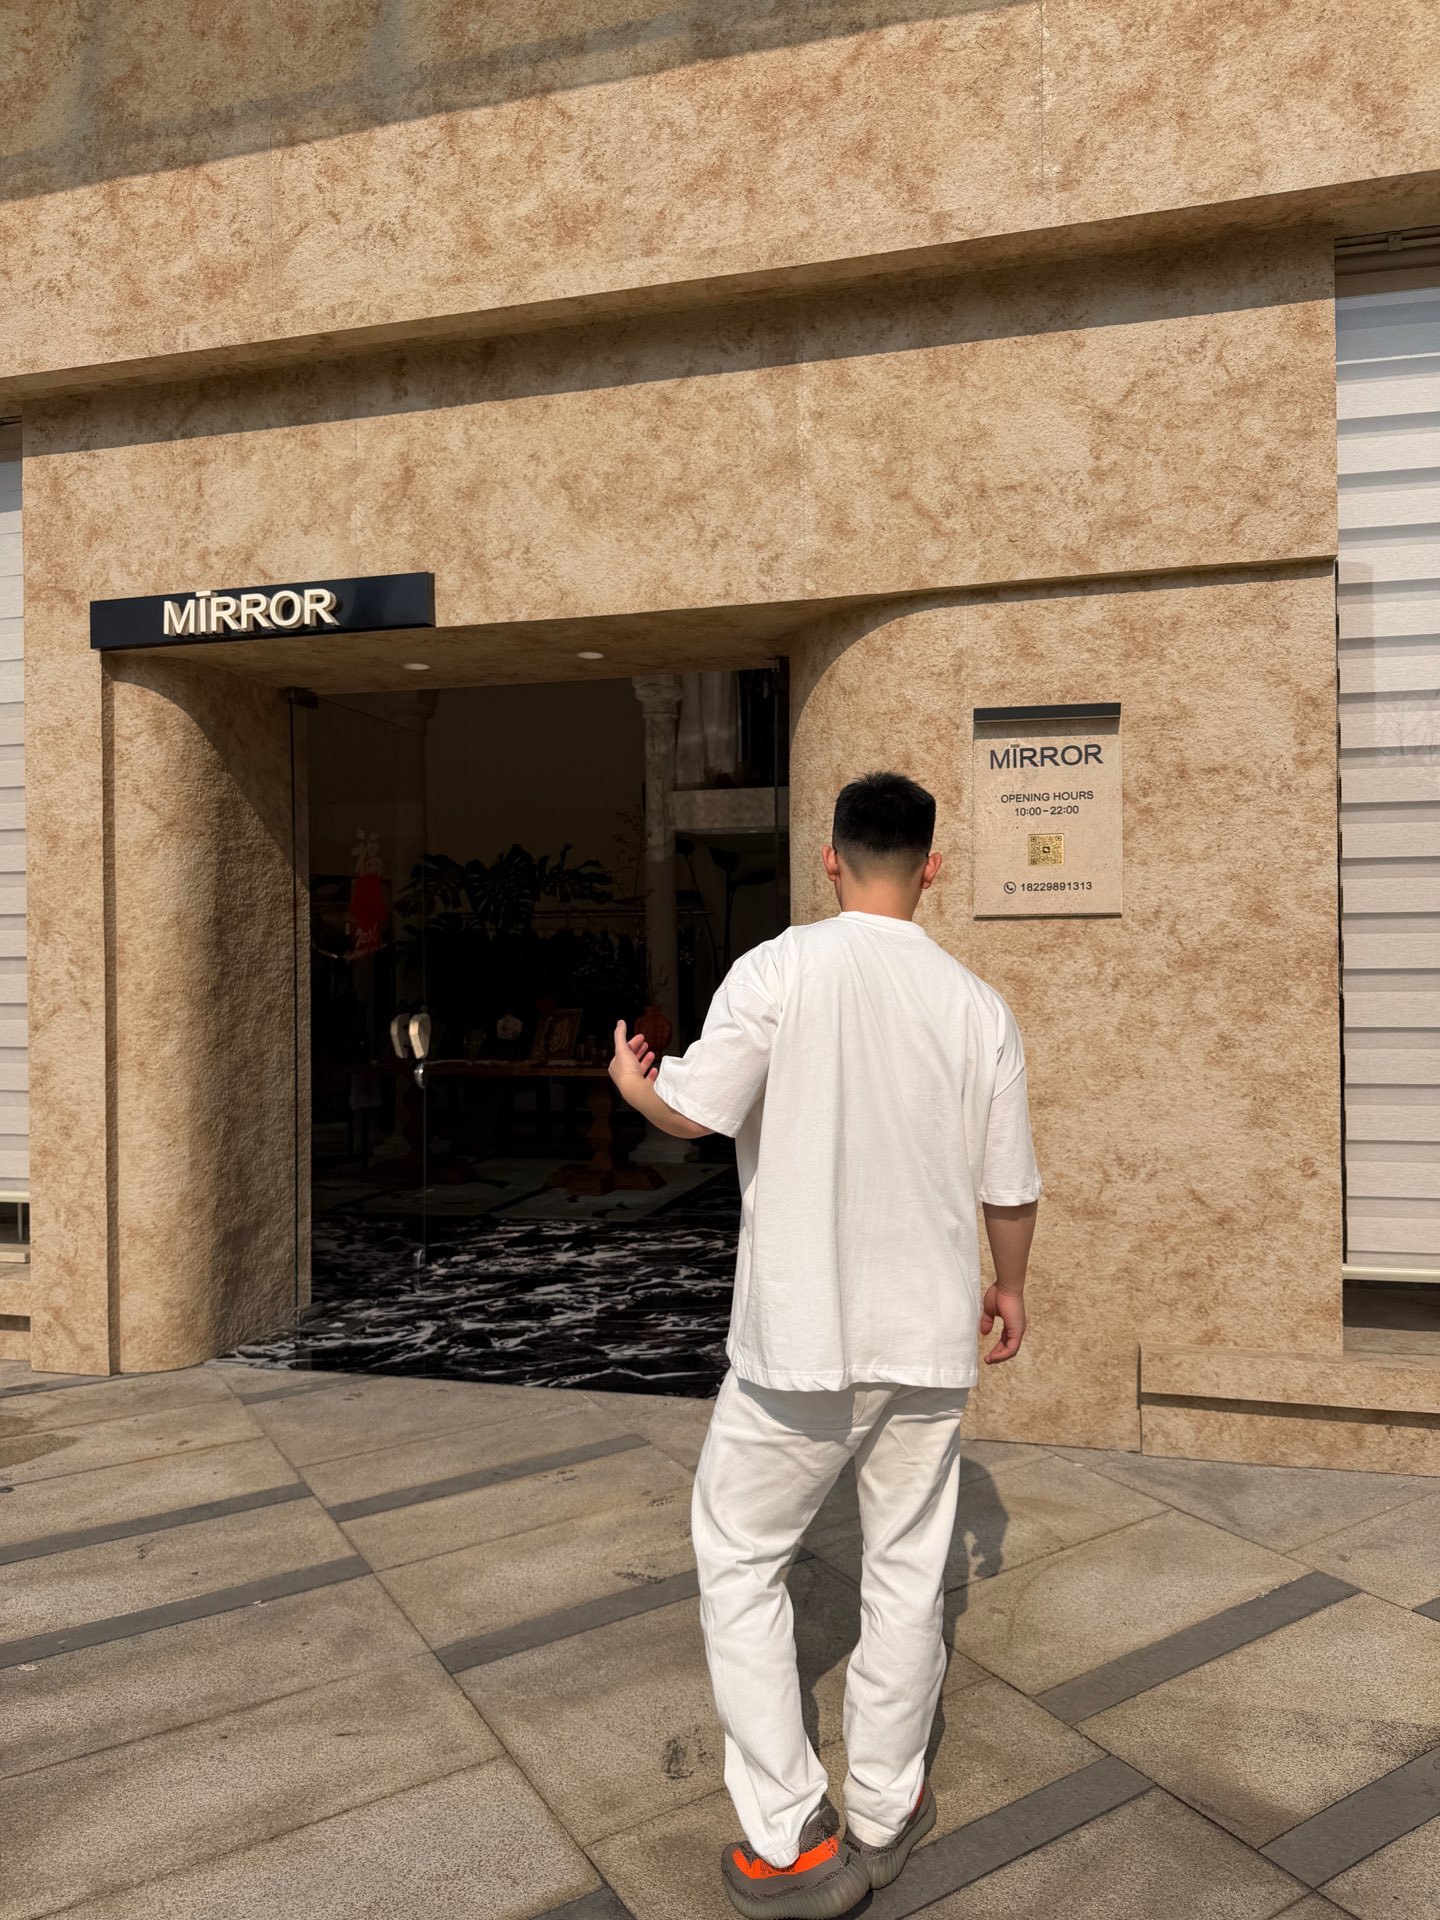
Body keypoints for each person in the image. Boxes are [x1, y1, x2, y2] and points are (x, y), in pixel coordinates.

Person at [609, 770, 1041, 1920]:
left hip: (799, 1341)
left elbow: (693, 1112)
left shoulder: (778, 969)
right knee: (907, 1568)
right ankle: (887, 1815)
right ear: (934, 866)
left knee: (740, 1554)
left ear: (831, 859)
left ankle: (794, 1835)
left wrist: (631, 1084)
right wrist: (1009, 1287)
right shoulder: (978, 1007)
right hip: (928, 1338)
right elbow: (1010, 1186)